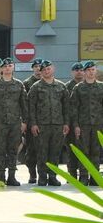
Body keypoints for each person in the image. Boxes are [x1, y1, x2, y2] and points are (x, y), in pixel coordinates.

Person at [28, 59, 69, 187]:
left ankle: (53, 176)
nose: (47, 71)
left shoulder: (61, 86)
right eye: (44, 70)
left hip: (57, 124)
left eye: (48, 68)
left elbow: (66, 107)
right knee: (42, 152)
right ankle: (42, 177)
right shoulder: (36, 87)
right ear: (41, 72)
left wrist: (66, 123)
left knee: (55, 152)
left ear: (53, 69)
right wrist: (33, 124)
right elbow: (31, 107)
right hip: (41, 125)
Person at [0, 57, 26, 187]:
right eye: (5, 66)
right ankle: (0, 177)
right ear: (2, 69)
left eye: (10, 66)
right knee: (0, 150)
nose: (7, 68)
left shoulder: (19, 84)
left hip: (15, 123)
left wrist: (24, 122)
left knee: (13, 150)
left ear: (13, 68)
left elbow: (24, 105)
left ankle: (12, 177)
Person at [70, 60, 103, 184]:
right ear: (84, 72)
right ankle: (83, 176)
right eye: (88, 70)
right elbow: (74, 108)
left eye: (93, 70)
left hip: (98, 124)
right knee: (83, 151)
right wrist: (76, 126)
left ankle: (95, 177)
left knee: (96, 151)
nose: (91, 72)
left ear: (96, 71)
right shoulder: (78, 88)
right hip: (83, 125)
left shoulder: (101, 86)